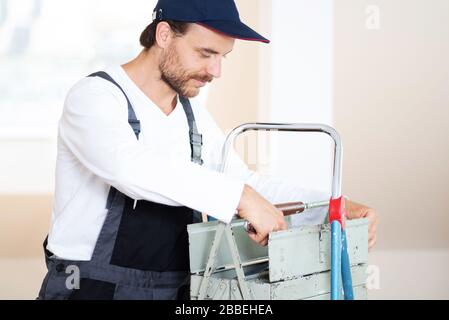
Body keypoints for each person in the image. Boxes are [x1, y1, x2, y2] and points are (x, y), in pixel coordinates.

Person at [38, 0, 378, 300]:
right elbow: (129, 168)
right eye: (206, 53)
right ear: (164, 35)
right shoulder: (95, 97)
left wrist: (333, 207)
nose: (216, 71)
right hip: (89, 289)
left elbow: (243, 180)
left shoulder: (191, 115)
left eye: (222, 56)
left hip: (176, 290)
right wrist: (240, 197)